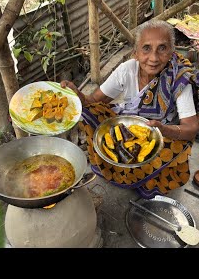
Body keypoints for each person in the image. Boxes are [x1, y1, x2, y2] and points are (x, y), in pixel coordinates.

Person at [61, 20, 199, 198]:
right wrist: (78, 96)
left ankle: (146, 182)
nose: (154, 58)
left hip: (163, 131)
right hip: (127, 124)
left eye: (162, 48)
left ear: (172, 50)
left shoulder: (179, 78)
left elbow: (191, 129)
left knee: (174, 148)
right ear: (136, 52)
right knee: (90, 113)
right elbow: (93, 101)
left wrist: (165, 129)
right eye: (146, 48)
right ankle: (121, 169)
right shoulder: (126, 70)